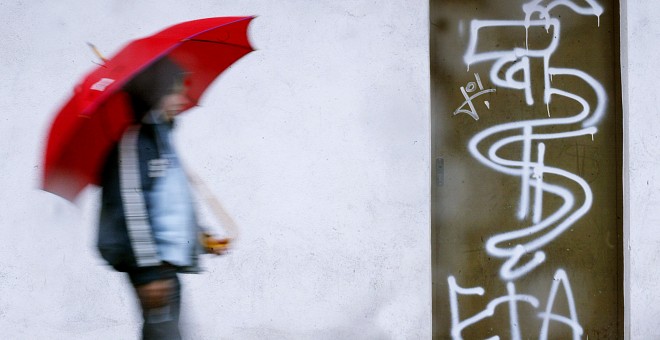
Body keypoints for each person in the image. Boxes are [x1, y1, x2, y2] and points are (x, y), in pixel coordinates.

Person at [96, 58, 229, 340]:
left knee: (165, 333)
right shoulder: (135, 143)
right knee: (164, 335)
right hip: (151, 266)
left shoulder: (160, 138)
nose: (182, 98)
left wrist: (199, 237)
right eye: (175, 91)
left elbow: (168, 204)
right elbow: (132, 207)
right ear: (154, 93)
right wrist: (147, 272)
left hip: (164, 264)